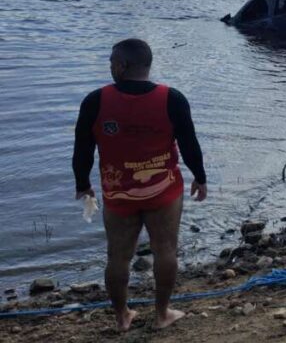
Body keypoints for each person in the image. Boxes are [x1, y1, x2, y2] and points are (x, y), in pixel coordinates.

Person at [72, 39, 208, 331]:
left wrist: (82, 183)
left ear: (122, 66)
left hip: (118, 194)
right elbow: (189, 144)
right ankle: (162, 314)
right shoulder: (172, 99)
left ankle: (122, 317)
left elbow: (83, 148)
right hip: (163, 190)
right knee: (165, 249)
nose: (110, 67)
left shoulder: (95, 101)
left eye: (111, 62)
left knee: (118, 256)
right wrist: (200, 176)